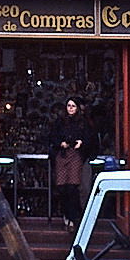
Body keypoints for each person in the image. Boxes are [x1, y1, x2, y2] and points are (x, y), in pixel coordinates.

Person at [49, 97, 92, 230]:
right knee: (62, 187)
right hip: (62, 155)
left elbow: (88, 138)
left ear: (77, 108)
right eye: (69, 106)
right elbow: (52, 136)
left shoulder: (82, 122)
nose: (71, 108)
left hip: (75, 155)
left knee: (73, 187)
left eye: (73, 106)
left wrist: (81, 143)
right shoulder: (60, 121)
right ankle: (65, 215)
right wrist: (60, 143)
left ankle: (72, 218)